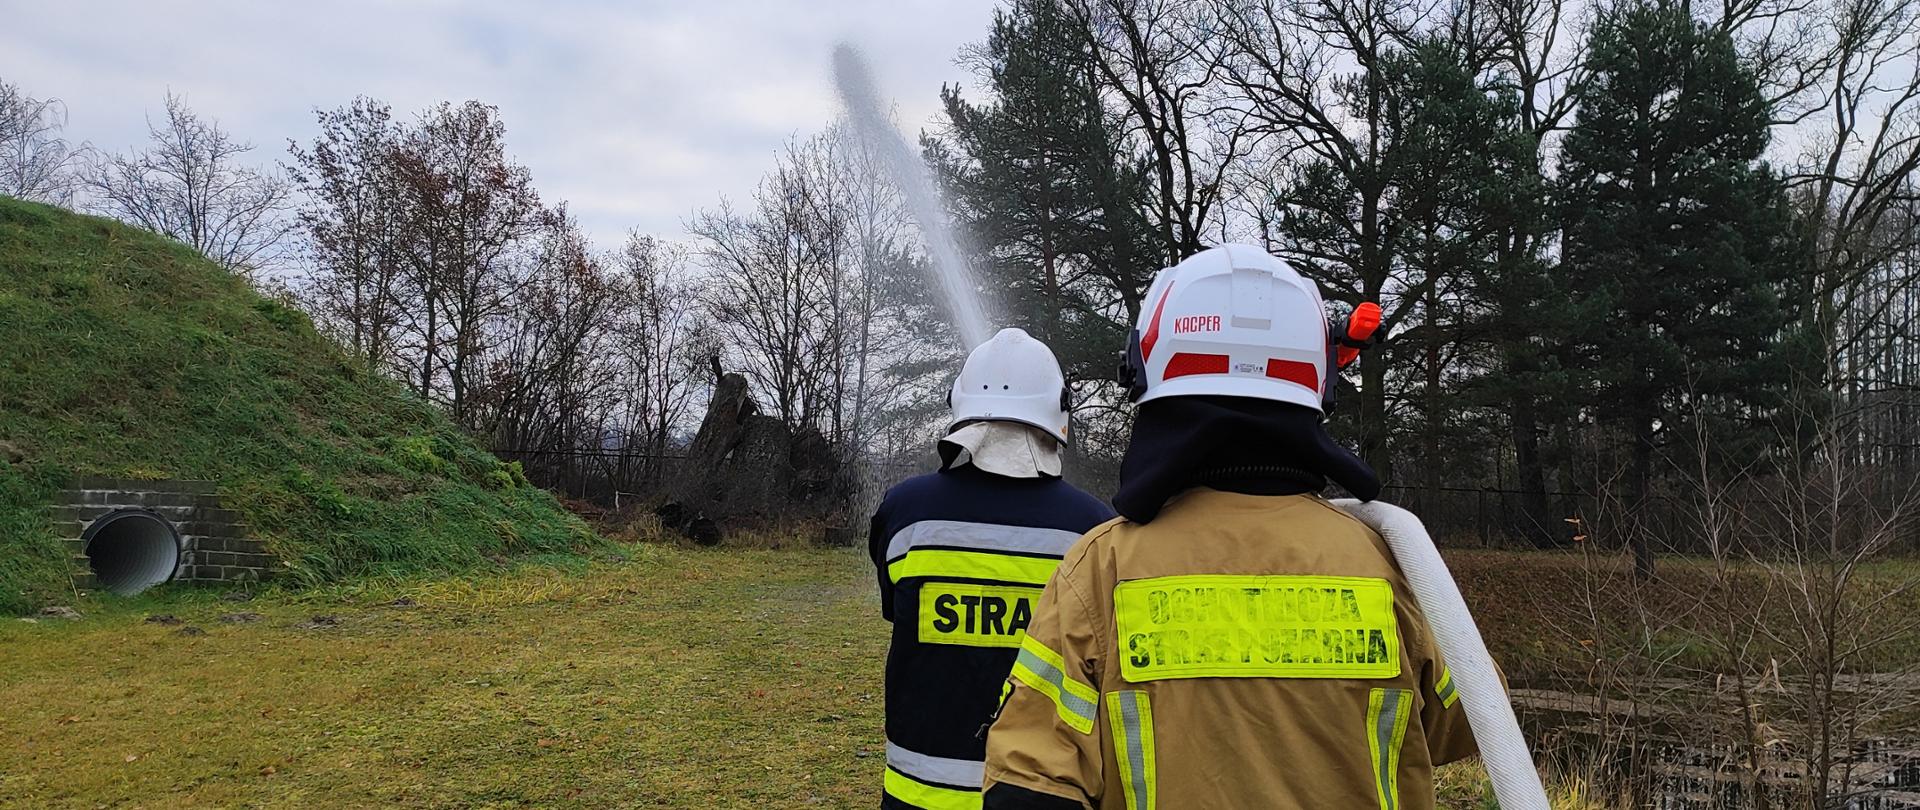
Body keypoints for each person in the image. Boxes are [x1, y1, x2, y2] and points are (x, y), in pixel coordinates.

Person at [981, 245, 1482, 809]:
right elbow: (1464, 727)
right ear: (1318, 385)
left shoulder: (1101, 568)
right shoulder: (1391, 562)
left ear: (1148, 375)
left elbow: (1029, 783)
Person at [870, 327, 1116, 810]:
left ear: (958, 405)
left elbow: (898, 613)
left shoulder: (906, 514)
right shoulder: (1094, 531)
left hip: (916, 794)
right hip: (1043, 792)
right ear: (1058, 413)